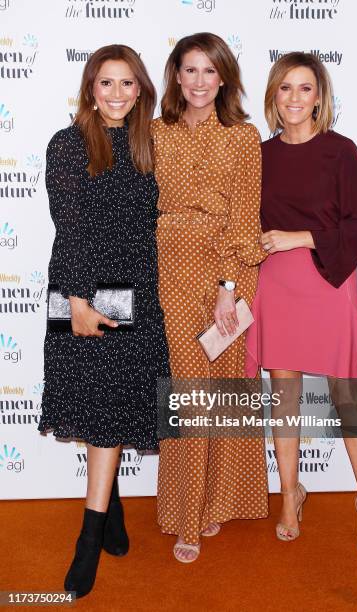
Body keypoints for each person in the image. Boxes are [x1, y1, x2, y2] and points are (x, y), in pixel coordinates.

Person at [38, 44, 170, 597]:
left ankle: (105, 511)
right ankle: (90, 536)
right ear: (90, 87)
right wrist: (77, 302)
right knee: (94, 402)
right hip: (79, 291)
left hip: (134, 292)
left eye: (127, 84)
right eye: (106, 83)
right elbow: (67, 226)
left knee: (112, 404)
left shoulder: (150, 145)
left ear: (141, 90)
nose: (116, 94)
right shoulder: (67, 144)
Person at [246, 52, 357, 555]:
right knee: (284, 400)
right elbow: (245, 225)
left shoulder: (340, 150)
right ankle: (290, 493)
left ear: (320, 96)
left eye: (305, 88)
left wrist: (299, 237)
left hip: (328, 279)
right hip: (277, 286)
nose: (295, 99)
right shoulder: (258, 154)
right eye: (285, 88)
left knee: (347, 398)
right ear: (273, 96)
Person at [152, 32, 269, 563]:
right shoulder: (155, 132)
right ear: (176, 75)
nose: (199, 81)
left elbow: (246, 212)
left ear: (224, 78)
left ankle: (220, 498)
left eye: (209, 71)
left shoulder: (242, 137)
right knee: (190, 390)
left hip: (229, 267)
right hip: (171, 266)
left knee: (226, 387)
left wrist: (228, 287)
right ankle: (186, 515)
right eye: (189, 70)